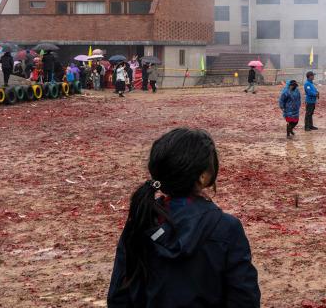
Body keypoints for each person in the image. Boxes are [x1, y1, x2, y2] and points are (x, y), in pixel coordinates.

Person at [107, 128, 260, 306]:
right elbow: (244, 298)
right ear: (202, 176)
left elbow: (119, 297)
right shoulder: (226, 228)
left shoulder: (140, 222)